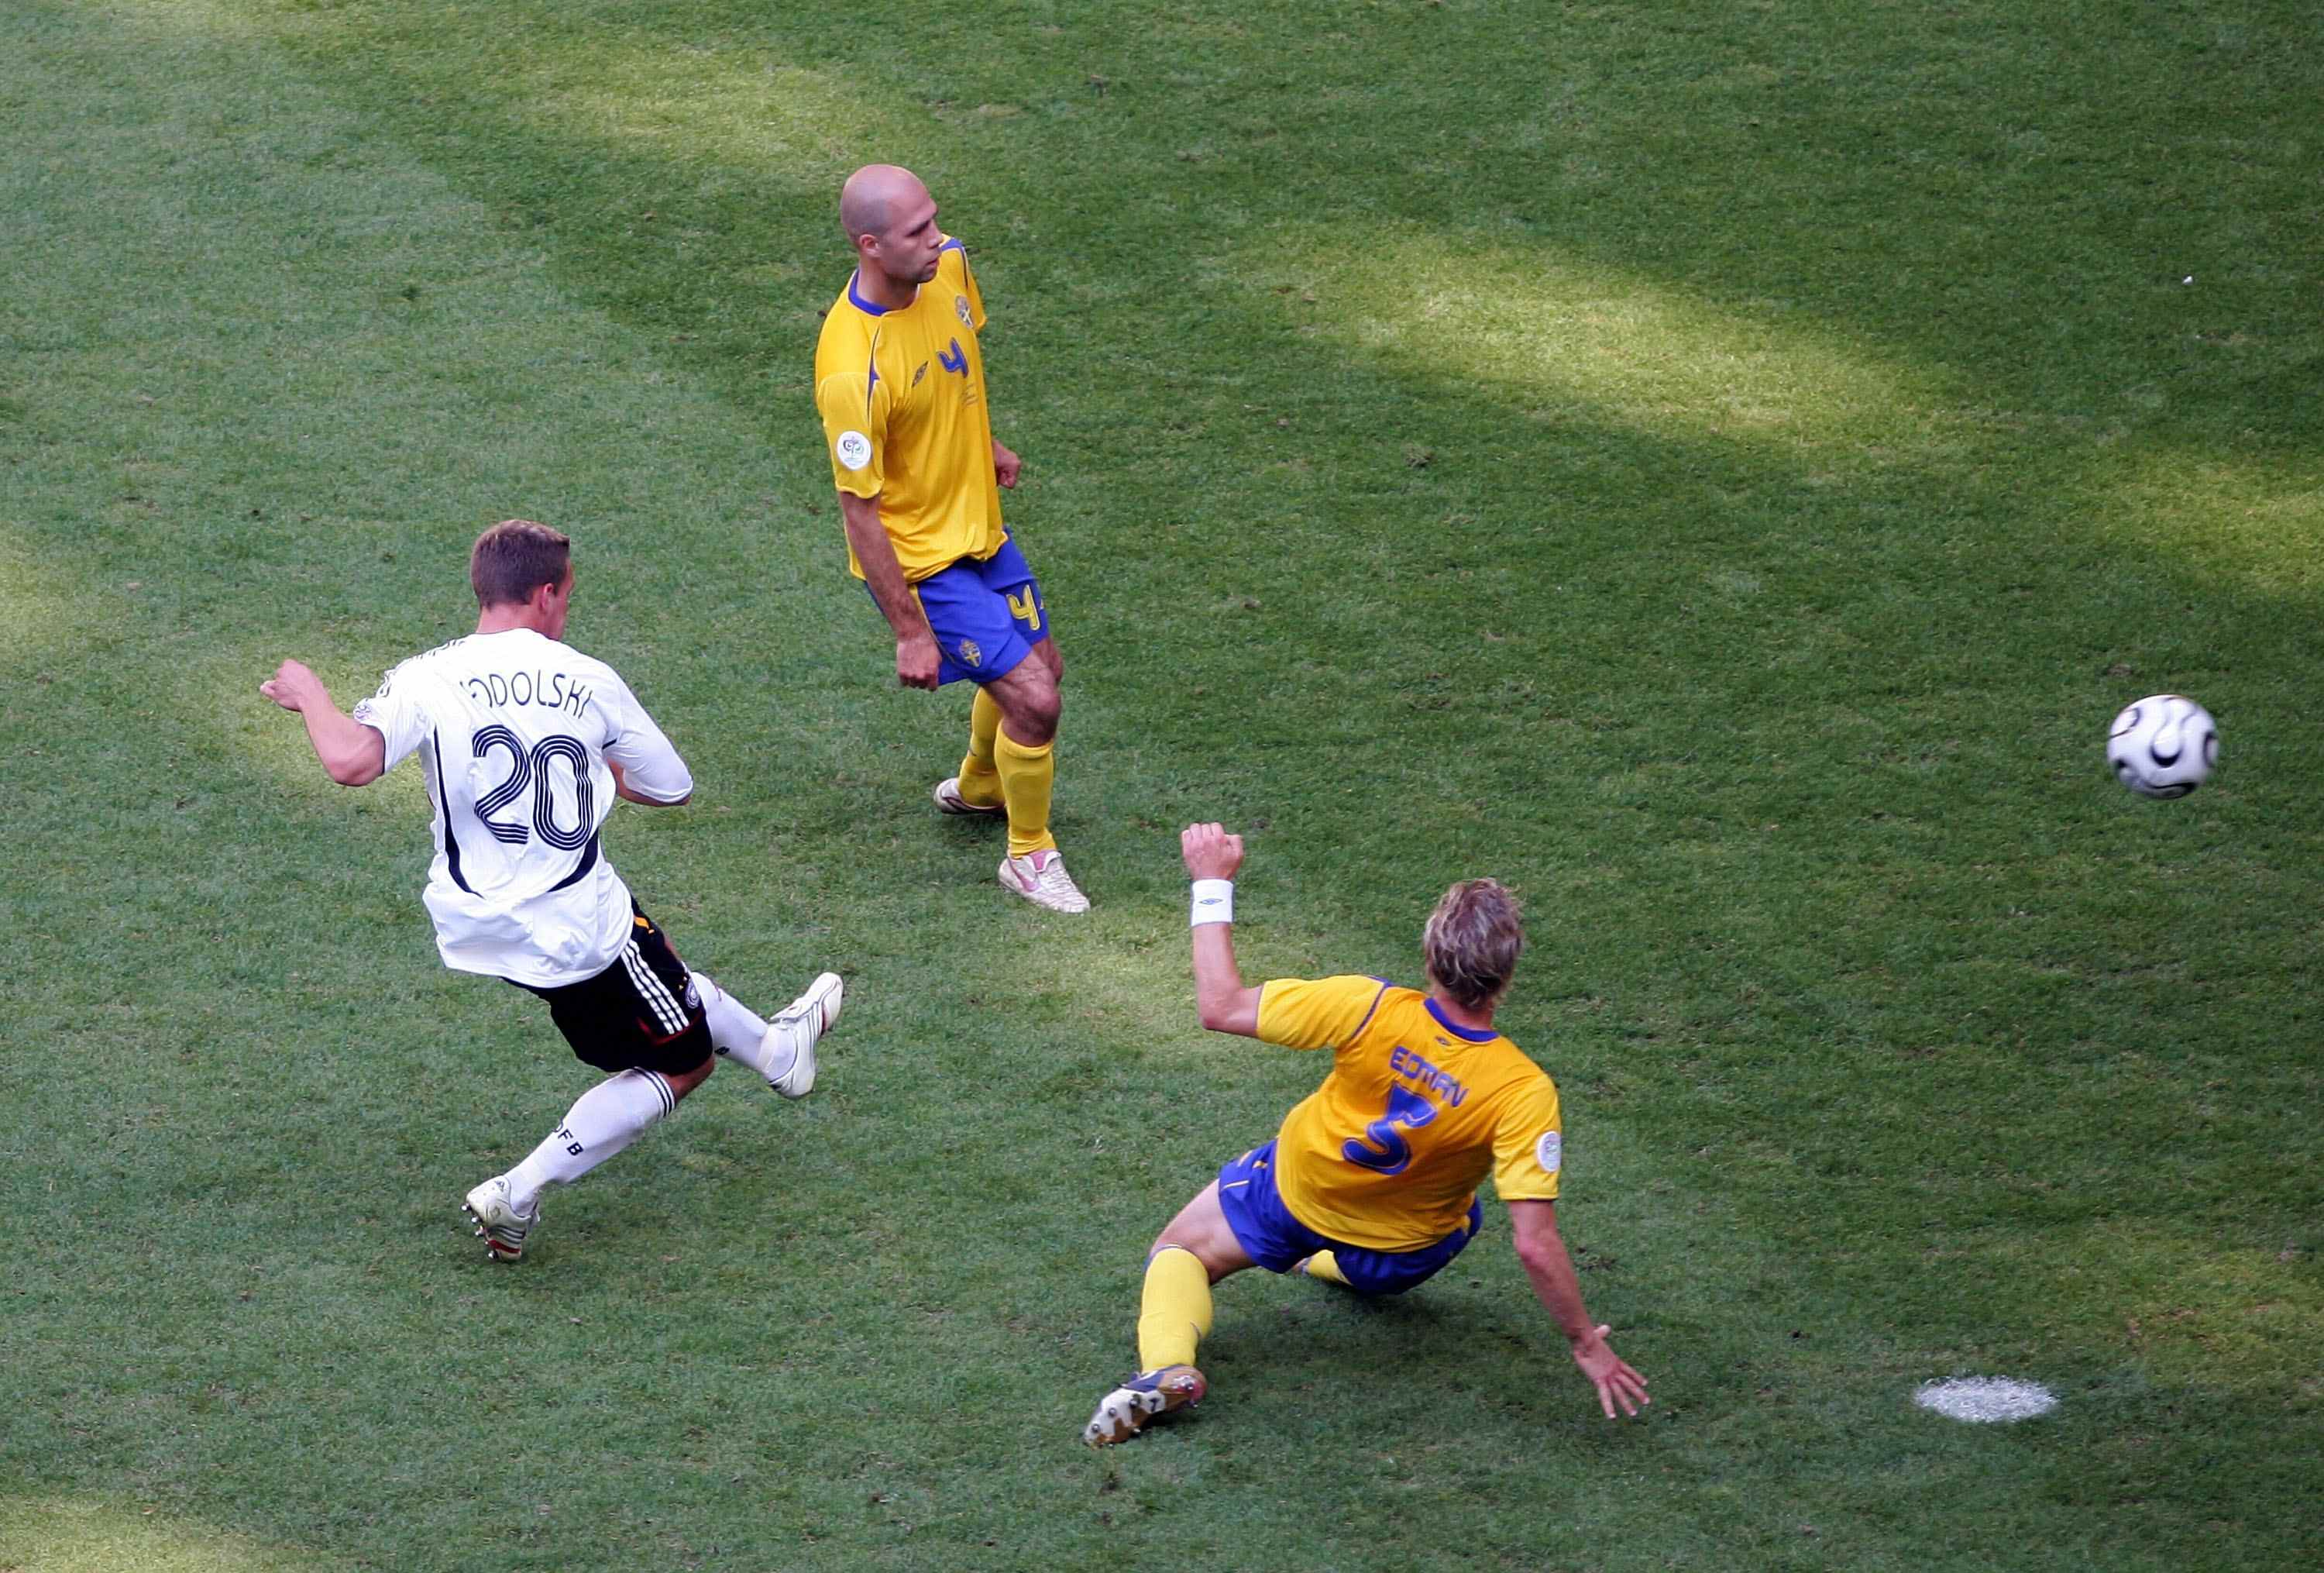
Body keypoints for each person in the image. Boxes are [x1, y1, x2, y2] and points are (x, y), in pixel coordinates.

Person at [261, 520, 844, 1262]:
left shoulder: (425, 675)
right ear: (545, 595)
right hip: (577, 926)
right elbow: (671, 788)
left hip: (476, 923)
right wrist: (603, 765)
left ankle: (777, 1053)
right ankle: (518, 1191)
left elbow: (352, 762)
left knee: (657, 967)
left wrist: (311, 694)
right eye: (566, 595)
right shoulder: (588, 678)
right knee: (683, 1059)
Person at [1081, 824, 1650, 1444]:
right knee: (1465, 1219)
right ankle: (1324, 1263)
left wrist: (1212, 882)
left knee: (1181, 1253)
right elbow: (1535, 1245)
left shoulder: (1366, 1006)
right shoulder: (1523, 1090)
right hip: (1403, 1247)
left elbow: (1221, 1007)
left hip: (1294, 1196)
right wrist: (1583, 1342)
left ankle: (1169, 1367)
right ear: (1506, 975)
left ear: (1431, 956)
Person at [812, 163, 1088, 914]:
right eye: (917, 232)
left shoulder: (950, 268)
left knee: (1046, 668)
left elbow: (953, 369)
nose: (937, 239)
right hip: (924, 562)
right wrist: (909, 631)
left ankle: (979, 786)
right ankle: (1028, 854)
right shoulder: (853, 369)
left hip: (980, 530)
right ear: (870, 246)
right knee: (1035, 702)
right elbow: (860, 512)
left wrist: (982, 442)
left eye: (934, 219)